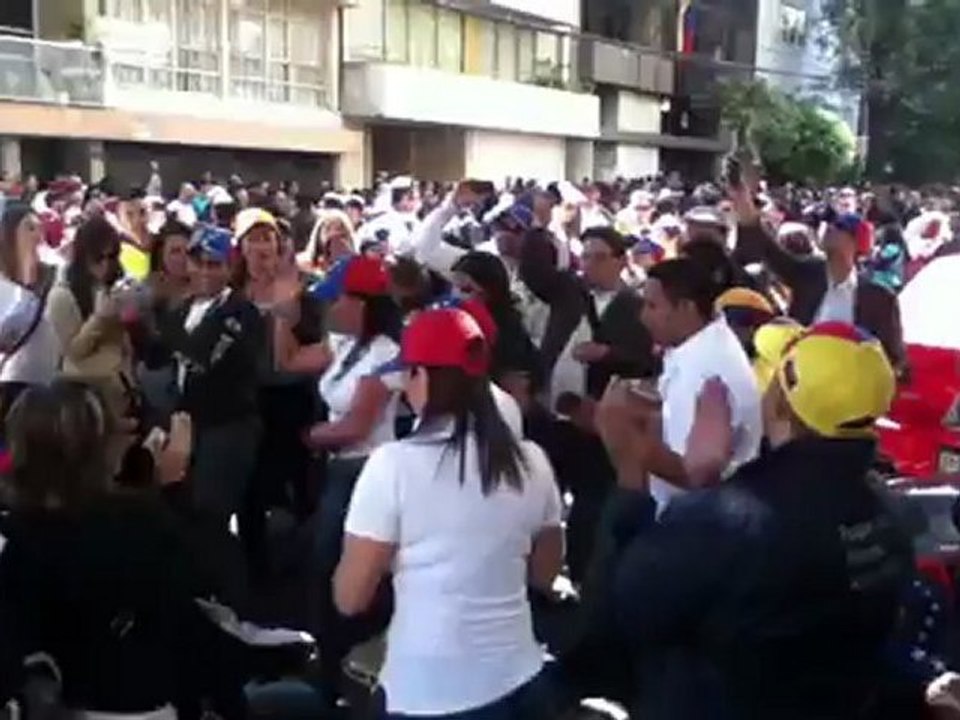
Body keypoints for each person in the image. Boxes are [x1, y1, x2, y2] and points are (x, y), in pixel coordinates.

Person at [598, 323, 914, 718]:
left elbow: (627, 607)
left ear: (781, 401)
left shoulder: (732, 521)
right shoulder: (893, 510)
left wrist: (632, 468)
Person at [334, 307, 564, 720]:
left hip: (431, 694)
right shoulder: (531, 460)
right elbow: (545, 574)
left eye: (408, 374)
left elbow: (350, 598)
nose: (404, 387)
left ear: (423, 376)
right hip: (523, 682)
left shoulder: (393, 467)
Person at [304, 254, 404, 705]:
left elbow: (357, 425)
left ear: (361, 303)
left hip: (365, 469)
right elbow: (286, 360)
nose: (331, 309)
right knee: (328, 565)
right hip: (341, 468)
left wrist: (307, 437)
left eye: (338, 299)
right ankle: (334, 658)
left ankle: (345, 663)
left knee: (347, 569)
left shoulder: (385, 353)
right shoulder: (346, 344)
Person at [154, 225, 265, 528]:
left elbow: (203, 357)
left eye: (214, 264)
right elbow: (155, 357)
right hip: (185, 425)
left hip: (227, 427)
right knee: (178, 511)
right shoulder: (181, 310)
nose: (204, 271)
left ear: (229, 267)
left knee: (210, 517)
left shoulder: (242, 312)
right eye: (197, 262)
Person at [636, 258, 763, 511]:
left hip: (694, 525)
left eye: (652, 306)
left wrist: (629, 440)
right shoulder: (704, 343)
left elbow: (690, 473)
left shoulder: (703, 370)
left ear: (686, 308)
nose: (643, 317)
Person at [46, 215, 139, 470]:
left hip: (121, 393)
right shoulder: (62, 295)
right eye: (99, 258)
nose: (105, 265)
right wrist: (99, 318)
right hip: (86, 398)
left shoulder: (112, 287)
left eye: (111, 257)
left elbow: (124, 346)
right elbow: (73, 350)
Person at [0, 203, 59, 418]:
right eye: (29, 228)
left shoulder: (53, 274)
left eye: (39, 227)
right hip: (11, 387)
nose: (37, 234)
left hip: (47, 384)